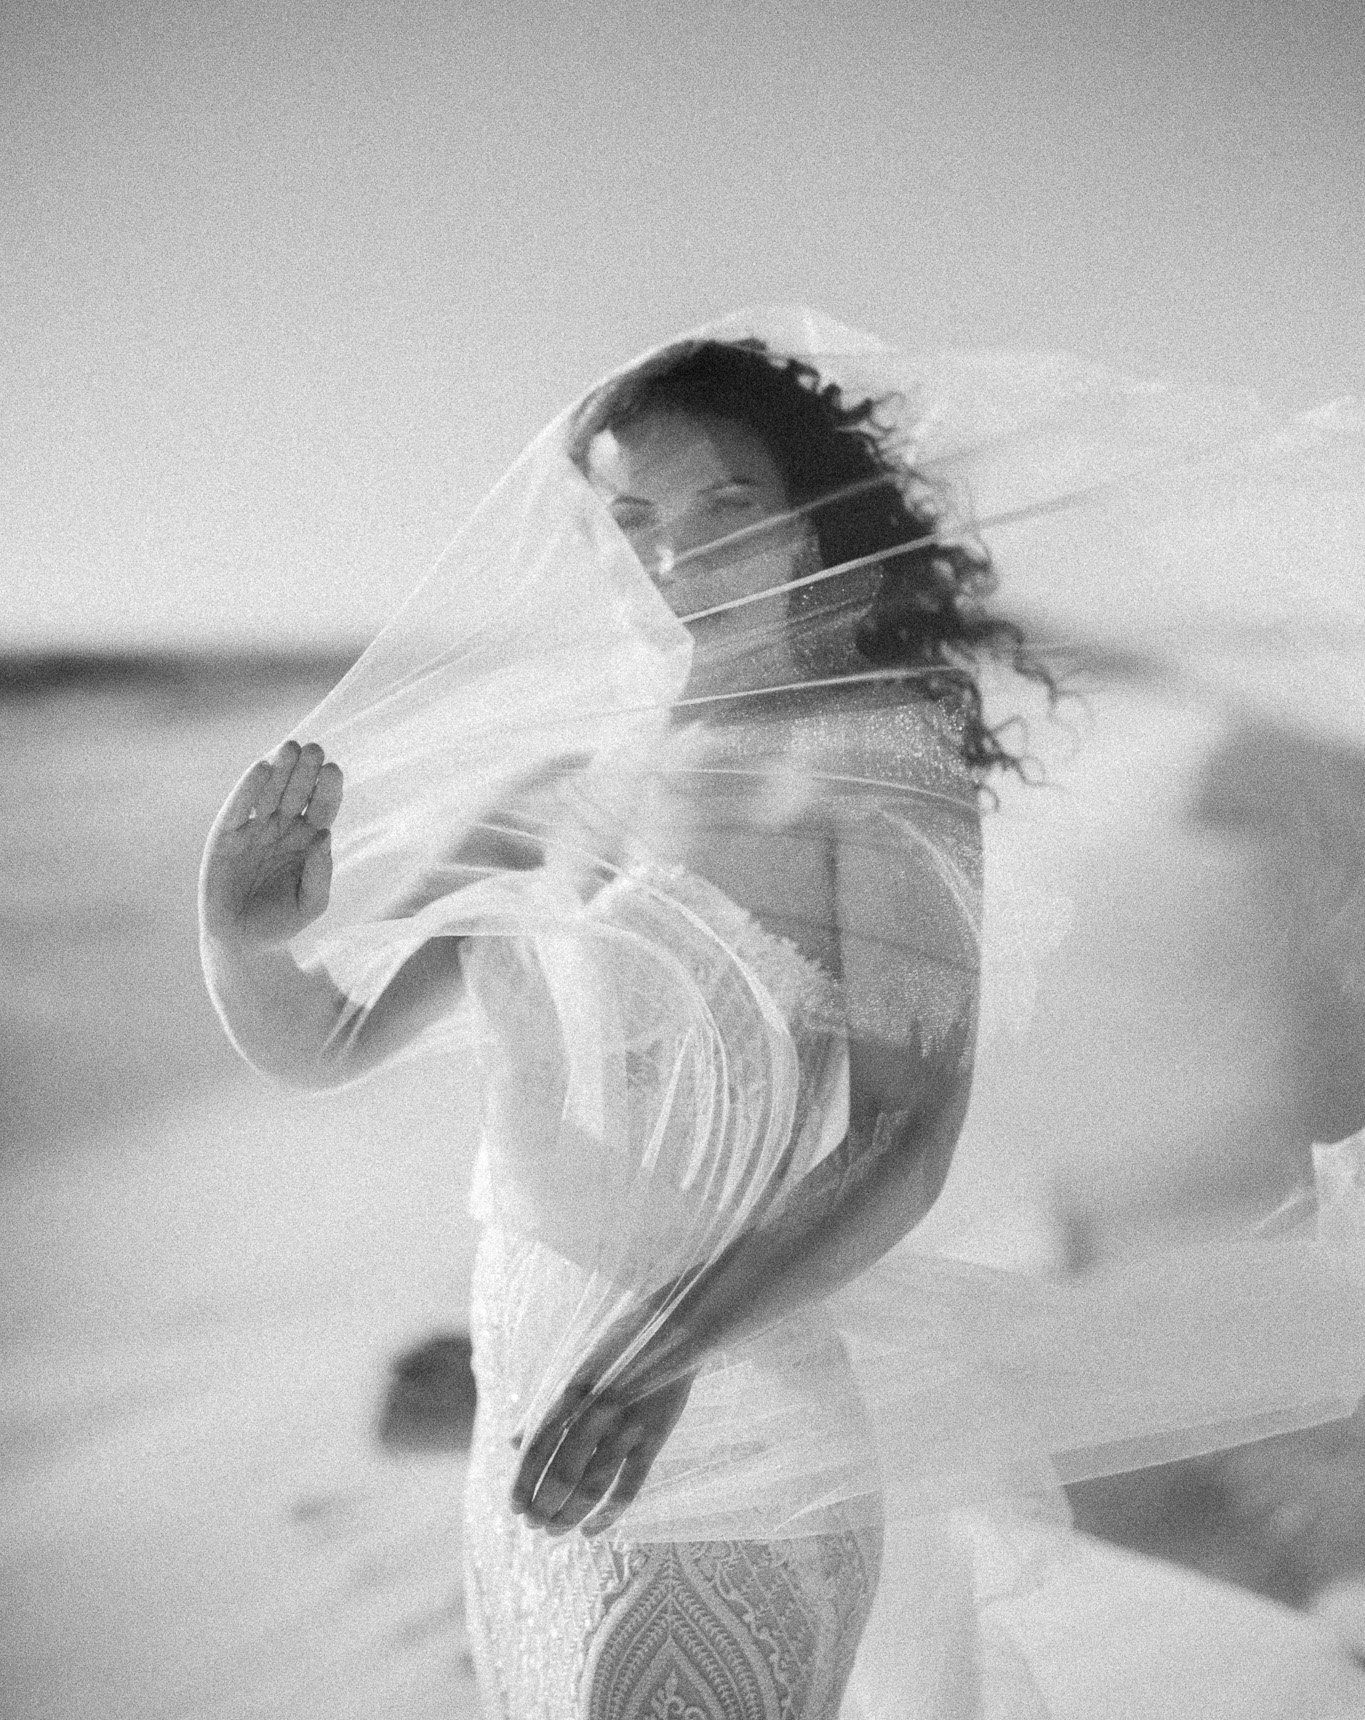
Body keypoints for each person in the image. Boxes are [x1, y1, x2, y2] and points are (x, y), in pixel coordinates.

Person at [201, 310, 1365, 1718]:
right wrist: (241, 937)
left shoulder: (869, 774)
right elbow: (321, 1048)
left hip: (721, 1413)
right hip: (531, 1419)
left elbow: (904, 1132)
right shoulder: (540, 797)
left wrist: (657, 1359)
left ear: (813, 528)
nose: (677, 552)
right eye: (633, 517)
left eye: (725, 503)